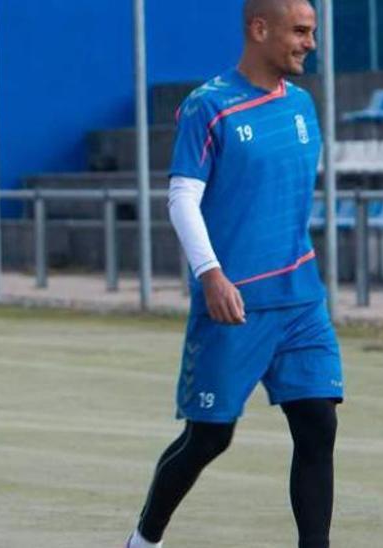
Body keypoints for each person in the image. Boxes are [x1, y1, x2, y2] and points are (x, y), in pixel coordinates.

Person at [127, 1, 343, 547]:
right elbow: (182, 198)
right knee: (208, 438)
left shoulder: (303, 106)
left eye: (312, 32)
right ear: (259, 28)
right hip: (234, 306)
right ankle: (144, 540)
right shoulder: (210, 107)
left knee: (318, 424)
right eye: (300, 31)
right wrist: (211, 274)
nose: (309, 43)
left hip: (300, 301)